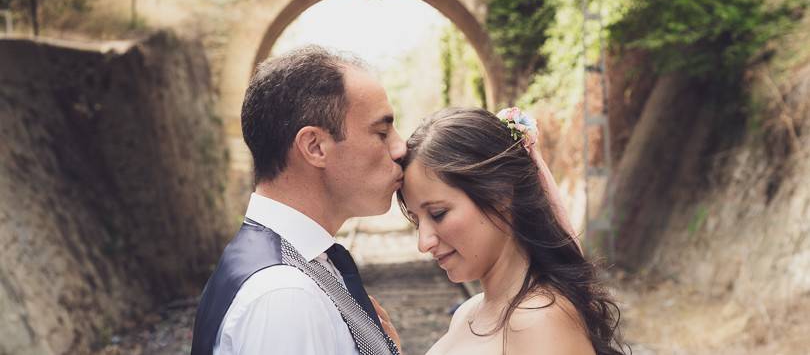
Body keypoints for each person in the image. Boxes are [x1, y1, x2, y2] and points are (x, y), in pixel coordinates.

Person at [191, 46, 404, 355]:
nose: (400, 148)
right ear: (315, 146)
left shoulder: (289, 267)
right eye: (382, 132)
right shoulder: (285, 296)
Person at [399, 107, 627, 355]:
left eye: (437, 214)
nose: (424, 243)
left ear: (500, 193)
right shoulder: (468, 312)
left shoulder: (539, 321)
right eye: (416, 220)